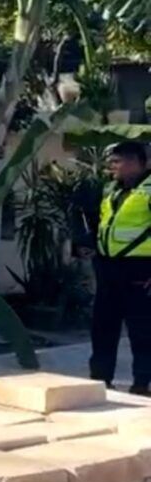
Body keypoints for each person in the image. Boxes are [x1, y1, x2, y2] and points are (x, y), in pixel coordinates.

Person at [88, 141, 151, 395]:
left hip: (140, 271)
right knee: (103, 328)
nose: (113, 166)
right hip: (109, 269)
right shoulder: (112, 191)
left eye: (119, 161)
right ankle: (101, 380)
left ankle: (141, 384)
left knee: (142, 332)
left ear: (136, 162)